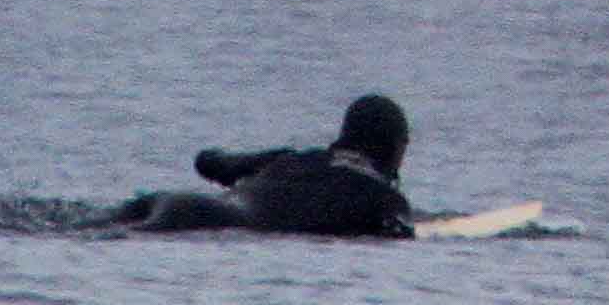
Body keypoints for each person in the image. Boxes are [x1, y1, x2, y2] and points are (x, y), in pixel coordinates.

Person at [113, 92, 417, 236]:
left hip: (180, 203)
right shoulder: (386, 201)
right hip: (217, 224)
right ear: (395, 146)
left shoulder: (291, 159)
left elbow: (211, 164)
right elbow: (401, 235)